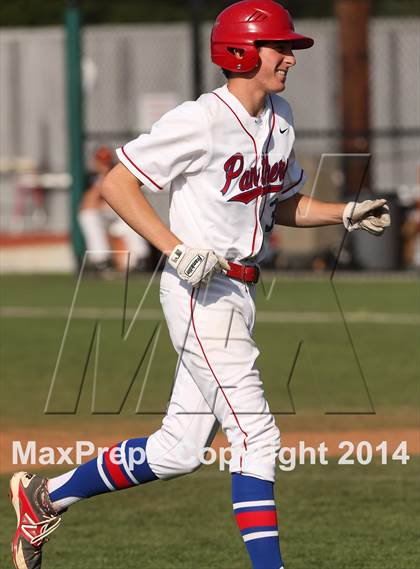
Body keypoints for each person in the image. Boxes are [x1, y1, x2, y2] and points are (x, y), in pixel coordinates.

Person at [10, 2, 390, 568]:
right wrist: (173, 247)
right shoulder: (200, 119)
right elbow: (117, 184)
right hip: (198, 294)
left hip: (239, 293)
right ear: (241, 51)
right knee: (257, 437)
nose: (289, 57)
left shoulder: (280, 118)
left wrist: (346, 212)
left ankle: (45, 497)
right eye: (279, 47)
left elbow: (281, 204)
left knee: (178, 450)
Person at [78, 145, 150, 274]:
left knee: (131, 218)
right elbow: (87, 204)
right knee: (88, 216)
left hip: (119, 216)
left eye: (106, 161)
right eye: (100, 161)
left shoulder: (120, 173)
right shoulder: (90, 177)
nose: (104, 164)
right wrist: (102, 181)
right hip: (103, 217)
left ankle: (141, 259)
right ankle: (100, 261)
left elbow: (133, 200)